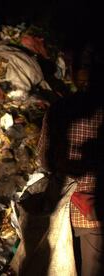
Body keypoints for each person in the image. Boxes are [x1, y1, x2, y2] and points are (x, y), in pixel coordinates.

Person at [37, 65, 104, 275]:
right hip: (94, 213)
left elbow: (44, 161)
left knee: (59, 265)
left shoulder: (58, 109)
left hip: (62, 207)